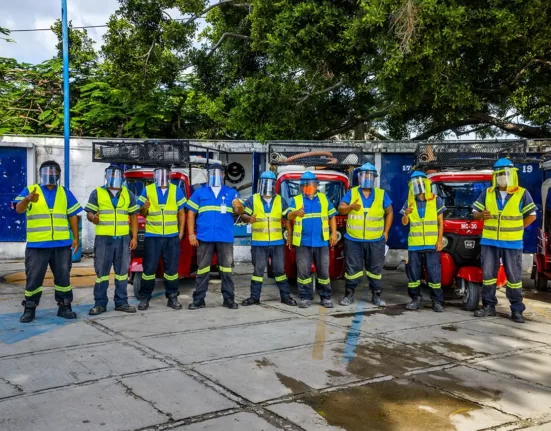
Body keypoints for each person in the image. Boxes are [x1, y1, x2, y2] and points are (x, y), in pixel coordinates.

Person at [14, 160, 82, 323]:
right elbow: (18, 209)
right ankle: (29, 308)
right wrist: (27, 199)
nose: (51, 175)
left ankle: (64, 306)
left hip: (61, 244)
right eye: (47, 172)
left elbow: (72, 216)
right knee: (34, 278)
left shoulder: (65, 192)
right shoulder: (31, 190)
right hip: (38, 245)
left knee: (63, 278)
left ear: (58, 174)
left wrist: (75, 238)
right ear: (41, 173)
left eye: (54, 172)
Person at [472, 158, 537, 323]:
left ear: (512, 174)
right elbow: (475, 213)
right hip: (489, 241)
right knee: (488, 276)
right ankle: (488, 306)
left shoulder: (522, 193)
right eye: (499, 174)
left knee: (514, 278)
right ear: (495, 176)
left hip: (512, 242)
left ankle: (517, 310)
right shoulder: (487, 193)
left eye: (505, 173)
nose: (502, 177)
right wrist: (481, 215)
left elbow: (532, 215)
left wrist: (519, 228)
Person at [186, 163, 244, 310]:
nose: (215, 175)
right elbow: (191, 214)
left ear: (223, 175)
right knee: (202, 269)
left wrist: (239, 206)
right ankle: (199, 300)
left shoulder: (231, 192)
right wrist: (191, 234)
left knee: (226, 270)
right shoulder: (199, 193)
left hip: (225, 237)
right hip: (204, 237)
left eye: (218, 173)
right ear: (208, 175)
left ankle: (229, 299)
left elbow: (240, 211)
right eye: (212, 173)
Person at [85, 165, 140, 315]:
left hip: (123, 239)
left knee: (122, 272)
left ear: (122, 177)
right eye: (111, 174)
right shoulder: (97, 193)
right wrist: (93, 218)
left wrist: (134, 237)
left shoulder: (128, 194)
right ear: (106, 176)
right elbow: (89, 213)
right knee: (102, 273)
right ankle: (100, 303)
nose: (114, 177)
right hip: (104, 239)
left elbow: (133, 216)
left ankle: (121, 302)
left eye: (117, 175)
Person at [338, 163, 393, 307]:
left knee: (375, 269)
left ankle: (376, 295)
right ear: (359, 177)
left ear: (374, 178)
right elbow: (341, 209)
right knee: (352, 269)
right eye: (364, 175)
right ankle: (349, 295)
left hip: (375, 240)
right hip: (353, 240)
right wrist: (351, 206)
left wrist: (386, 232)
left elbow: (390, 212)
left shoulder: (381, 194)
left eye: (370, 175)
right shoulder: (352, 192)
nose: (367, 178)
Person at [240, 171, 297, 306]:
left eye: (271, 183)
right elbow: (243, 215)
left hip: (277, 243)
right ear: (260, 184)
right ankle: (254, 297)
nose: (268, 186)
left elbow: (287, 217)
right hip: (259, 242)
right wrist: (249, 218)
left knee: (280, 271)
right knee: (258, 271)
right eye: (265, 182)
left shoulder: (280, 200)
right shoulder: (253, 199)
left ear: (274, 185)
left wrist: (290, 233)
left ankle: (285, 297)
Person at [136, 166, 187, 311]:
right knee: (149, 269)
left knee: (172, 270)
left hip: (172, 236)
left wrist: (180, 233)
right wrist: (144, 207)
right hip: (152, 236)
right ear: (155, 176)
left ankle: (172, 297)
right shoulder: (148, 190)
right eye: (159, 174)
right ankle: (144, 297)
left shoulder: (176, 190)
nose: (162, 176)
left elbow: (181, 212)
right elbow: (142, 213)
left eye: (165, 173)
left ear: (169, 175)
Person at [287, 171, 338, 309]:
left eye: (312, 184)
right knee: (303, 272)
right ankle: (305, 297)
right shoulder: (296, 200)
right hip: (303, 242)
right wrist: (296, 212)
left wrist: (334, 234)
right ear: (301, 187)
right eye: (306, 185)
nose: (309, 187)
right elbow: (288, 216)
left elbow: (332, 216)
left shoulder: (323, 198)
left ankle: (325, 297)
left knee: (324, 271)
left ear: (316, 186)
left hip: (321, 242)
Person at [401, 171, 446, 312]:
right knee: (414, 274)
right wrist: (406, 214)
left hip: (432, 244)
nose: (418, 185)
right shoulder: (409, 202)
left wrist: (439, 241)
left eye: (420, 182)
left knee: (434, 273)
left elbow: (441, 222)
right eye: (414, 183)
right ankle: (415, 298)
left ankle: (437, 301)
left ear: (426, 184)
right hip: (415, 244)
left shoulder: (436, 199)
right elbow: (404, 223)